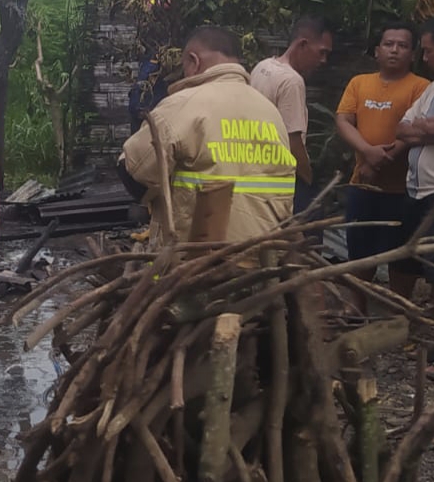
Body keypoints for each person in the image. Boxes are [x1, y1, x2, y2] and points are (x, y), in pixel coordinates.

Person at [120, 26, 295, 246]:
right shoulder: (271, 113)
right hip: (265, 255)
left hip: (197, 259)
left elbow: (133, 172)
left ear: (194, 61)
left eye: (184, 66)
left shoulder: (183, 105)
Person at [336, 22, 430, 301]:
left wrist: (377, 161)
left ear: (412, 54)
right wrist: (367, 151)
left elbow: (412, 133)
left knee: (401, 256)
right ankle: (356, 310)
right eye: (389, 44)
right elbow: (343, 120)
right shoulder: (359, 83)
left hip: (403, 190)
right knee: (359, 250)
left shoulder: (421, 87)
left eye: (403, 45)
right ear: (377, 50)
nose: (394, 50)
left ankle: (397, 309)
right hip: (362, 184)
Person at [250, 16, 334, 213]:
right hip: (280, 175)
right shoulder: (292, 81)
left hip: (254, 169)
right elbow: (293, 142)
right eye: (321, 52)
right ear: (303, 44)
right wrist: (308, 178)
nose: (323, 60)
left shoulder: (263, 66)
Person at [396, 21, 434, 289]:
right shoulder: (431, 89)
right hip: (415, 193)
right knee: (405, 261)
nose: (425, 58)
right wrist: (426, 130)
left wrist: (421, 127)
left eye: (429, 51)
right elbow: (401, 129)